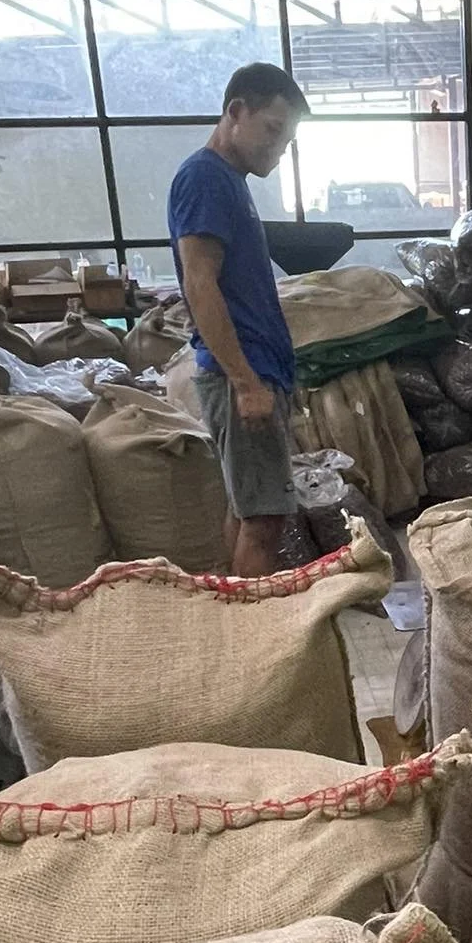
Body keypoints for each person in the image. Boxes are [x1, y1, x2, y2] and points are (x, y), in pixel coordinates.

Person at [168, 62, 310, 576]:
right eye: (272, 129)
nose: (277, 147)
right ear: (235, 112)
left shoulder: (228, 181)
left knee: (248, 509)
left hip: (253, 367)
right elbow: (199, 284)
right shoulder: (205, 178)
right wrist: (246, 382)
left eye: (287, 138)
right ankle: (255, 646)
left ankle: (233, 618)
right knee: (265, 521)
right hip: (240, 372)